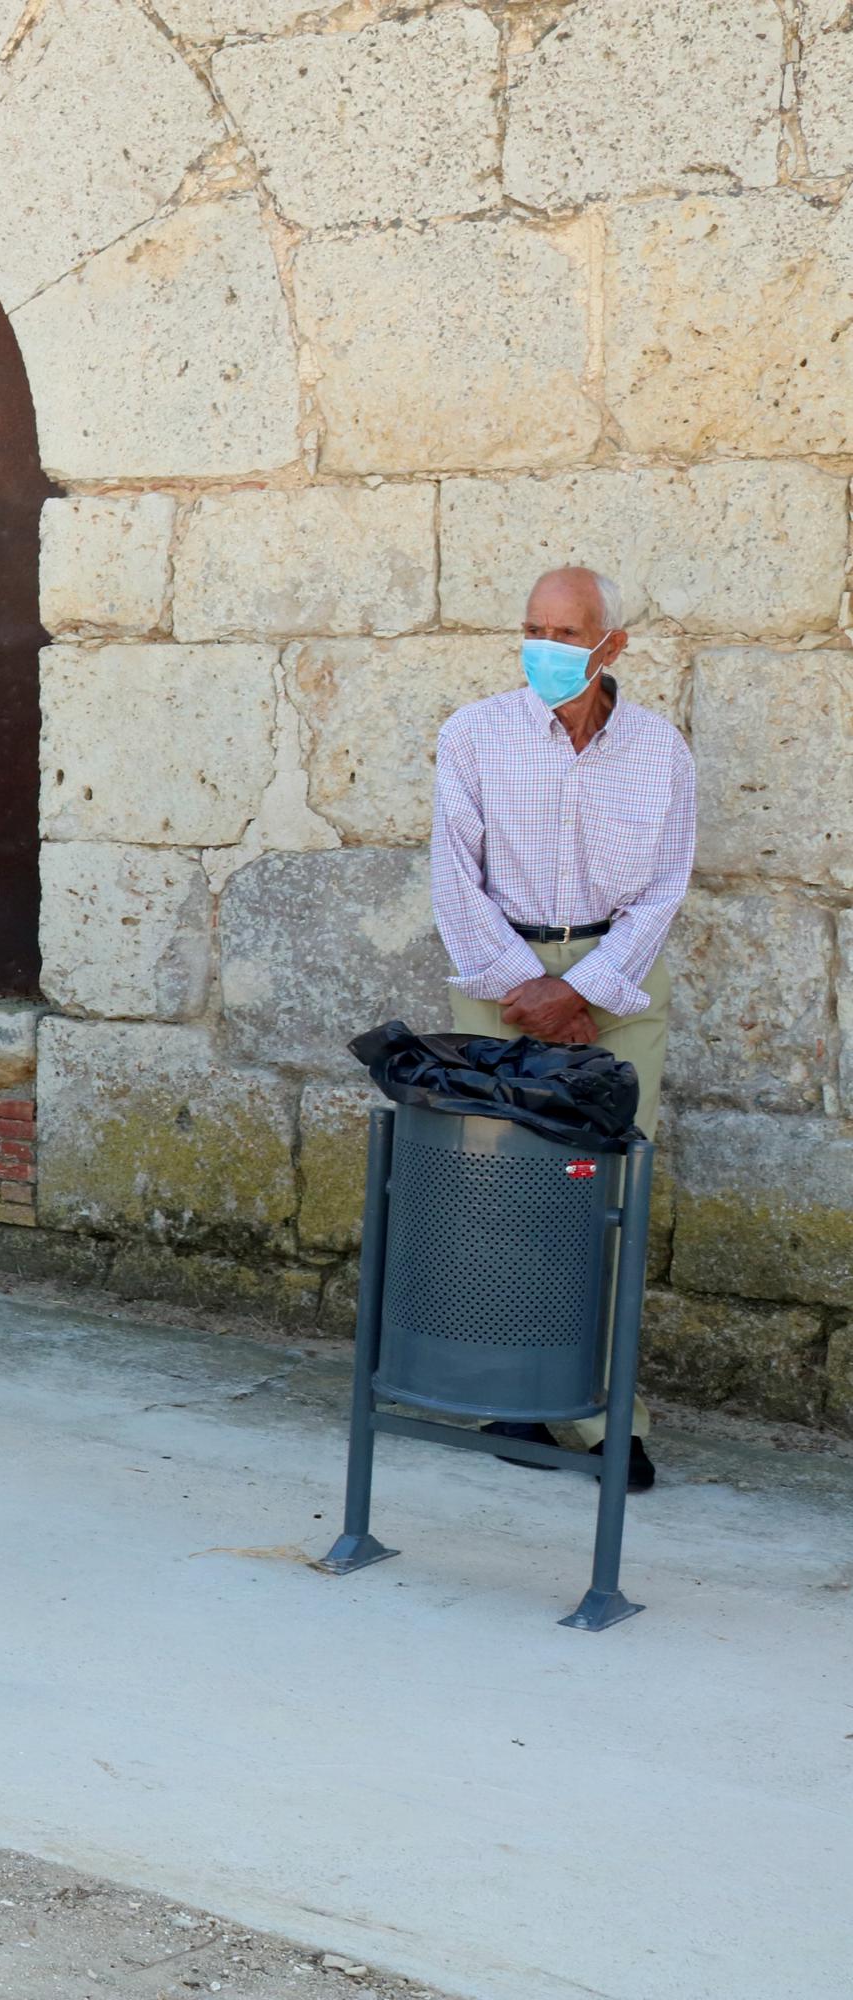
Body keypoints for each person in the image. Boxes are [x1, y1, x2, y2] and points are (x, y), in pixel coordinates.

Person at [430, 564, 694, 1493]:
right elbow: (454, 879)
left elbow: (666, 887)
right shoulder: (473, 735)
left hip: (615, 996)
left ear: (613, 646)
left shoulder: (661, 751)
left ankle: (600, 1417)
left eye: (570, 633)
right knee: (500, 1194)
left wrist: (583, 989)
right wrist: (527, 987)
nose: (546, 648)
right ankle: (512, 1398)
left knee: (606, 1198)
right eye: (534, 627)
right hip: (500, 984)